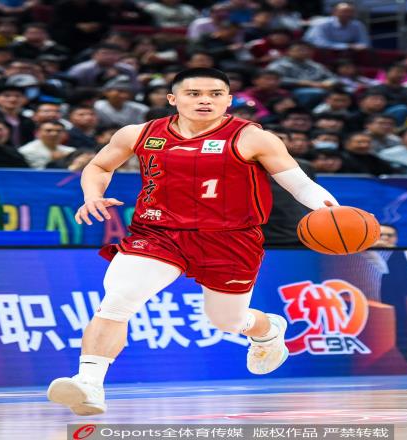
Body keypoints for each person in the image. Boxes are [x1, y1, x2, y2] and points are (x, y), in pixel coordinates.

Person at [46, 68, 339, 416]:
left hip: (230, 239)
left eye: (215, 94)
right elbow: (99, 166)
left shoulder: (253, 138)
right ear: (173, 99)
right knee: (118, 299)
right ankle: (89, 383)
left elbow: (301, 185)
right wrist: (92, 195)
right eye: (194, 93)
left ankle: (268, 331)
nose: (205, 100)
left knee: (227, 321)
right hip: (158, 232)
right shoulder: (139, 133)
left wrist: (334, 212)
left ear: (228, 100)